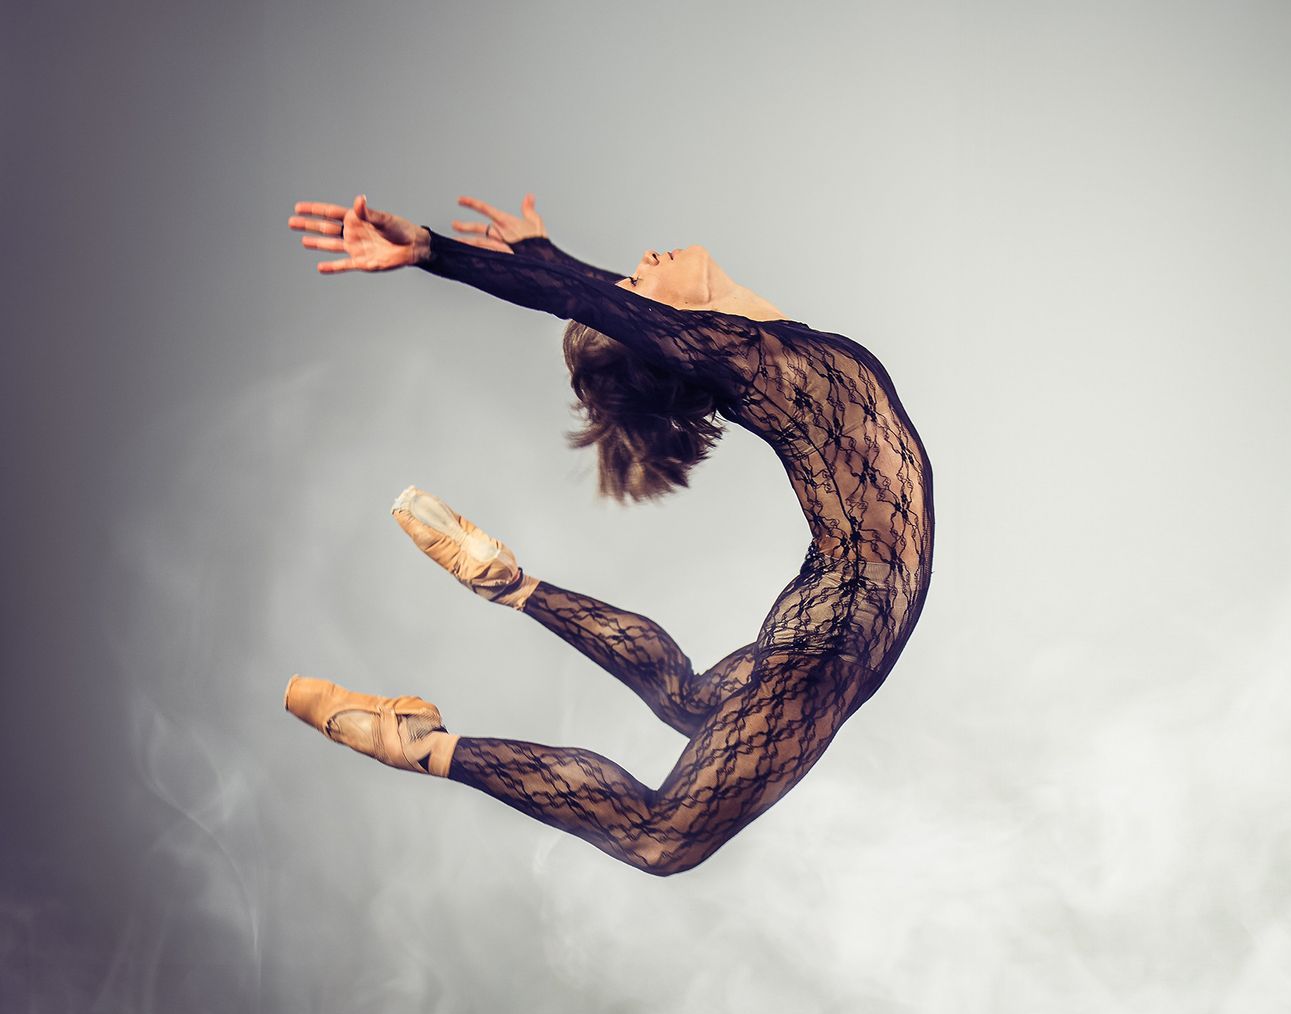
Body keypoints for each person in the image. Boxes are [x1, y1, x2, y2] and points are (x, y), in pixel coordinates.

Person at [280, 193, 934, 876]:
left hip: (837, 617)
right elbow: (592, 303)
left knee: (688, 699)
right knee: (660, 838)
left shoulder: (771, 349)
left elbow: (602, 299)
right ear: (667, 328)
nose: (641, 263)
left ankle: (509, 582)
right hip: (841, 627)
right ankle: (422, 745)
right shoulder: (748, 359)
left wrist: (544, 254)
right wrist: (432, 250)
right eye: (637, 285)